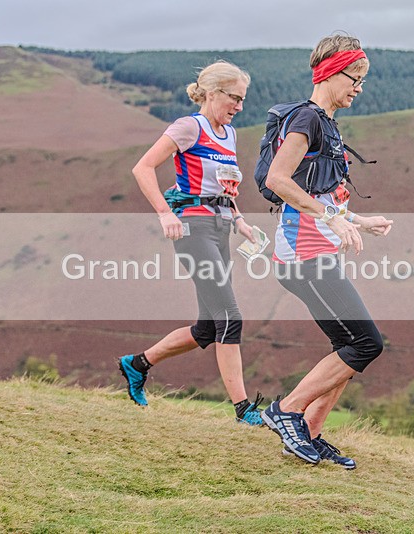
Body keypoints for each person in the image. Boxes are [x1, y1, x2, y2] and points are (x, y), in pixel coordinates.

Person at [260, 33, 394, 468]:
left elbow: (321, 192)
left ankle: (311, 433)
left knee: (349, 343)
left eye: (363, 80)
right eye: (355, 77)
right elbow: (278, 180)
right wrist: (332, 218)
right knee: (365, 343)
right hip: (302, 255)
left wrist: (355, 220)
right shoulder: (307, 119)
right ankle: (286, 412)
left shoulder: (325, 123)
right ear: (330, 72)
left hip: (317, 249)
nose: (359, 87)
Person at [119, 60, 264, 426]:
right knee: (230, 318)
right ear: (212, 93)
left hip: (221, 228)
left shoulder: (229, 134)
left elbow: (226, 187)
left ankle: (137, 364)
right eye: (234, 98)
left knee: (208, 328)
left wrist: (241, 221)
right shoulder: (189, 127)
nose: (239, 107)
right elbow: (143, 167)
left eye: (243, 100)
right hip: (192, 229)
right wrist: (165, 213)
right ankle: (244, 409)